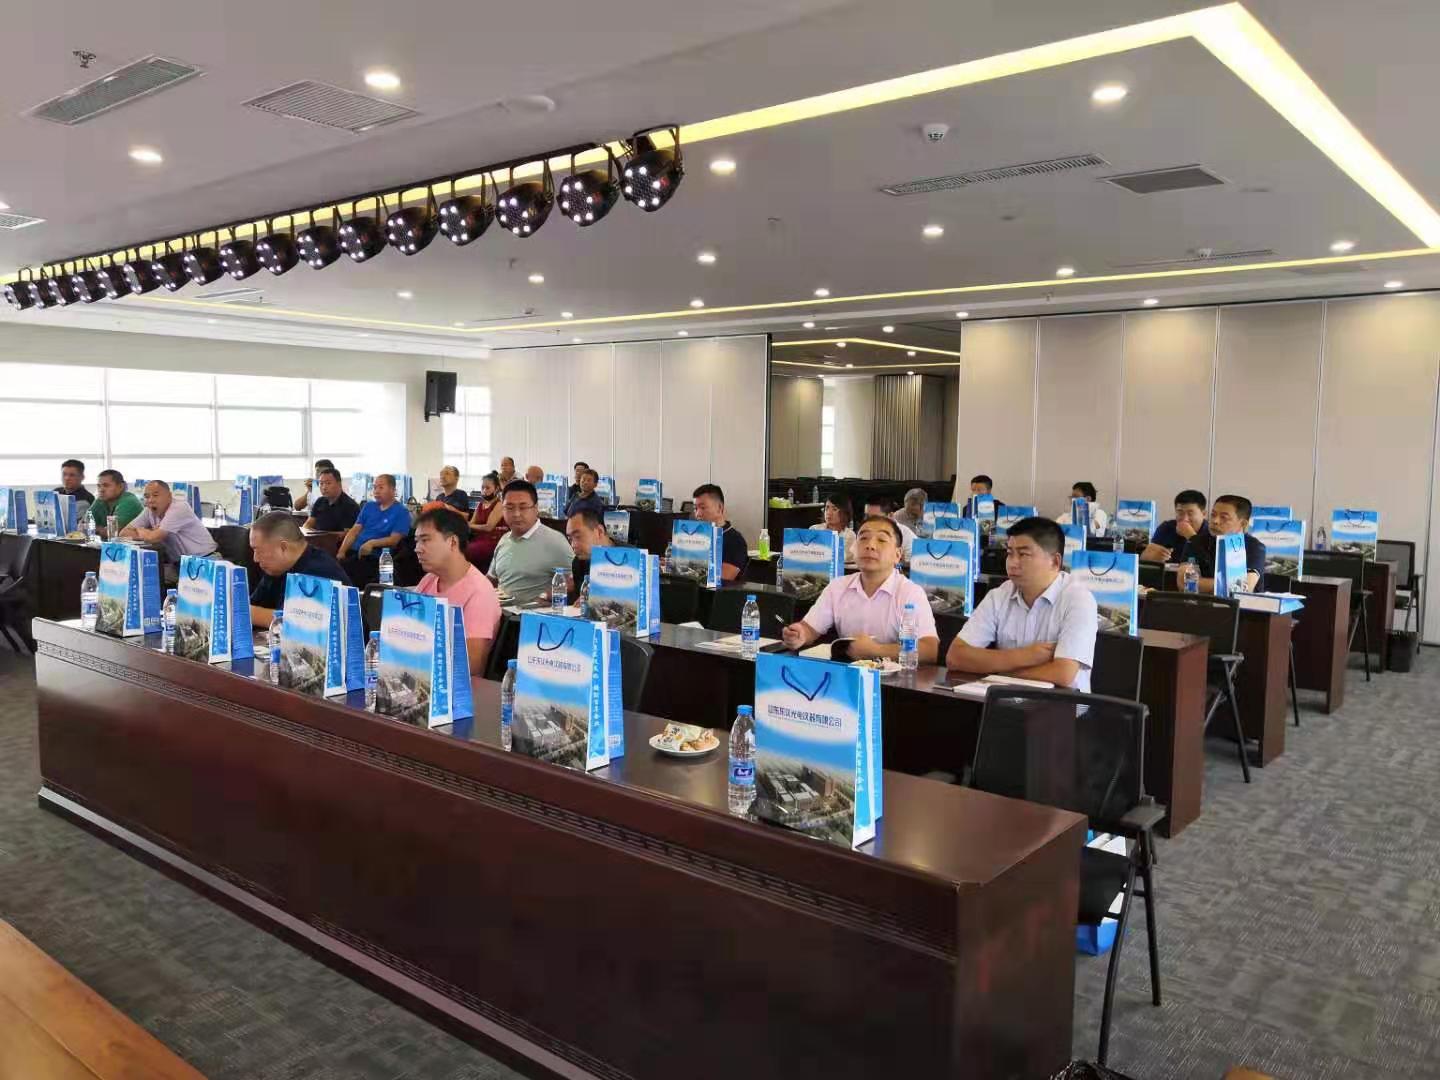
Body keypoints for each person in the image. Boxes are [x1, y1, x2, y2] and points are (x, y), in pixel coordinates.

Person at [945, 516, 1098, 690]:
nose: (1012, 563)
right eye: (1010, 553)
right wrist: (1028, 655)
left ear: (1055, 562)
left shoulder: (1079, 599)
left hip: (1063, 702)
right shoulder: (999, 595)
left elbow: (1062, 674)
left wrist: (998, 672)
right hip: (1004, 700)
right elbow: (956, 657)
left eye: (1023, 554)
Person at [781, 516, 938, 663]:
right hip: (847, 674)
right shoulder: (838, 587)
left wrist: (876, 651)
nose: (870, 545)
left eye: (881, 540)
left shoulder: (910, 592)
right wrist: (799, 634)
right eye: (863, 538)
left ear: (897, 555)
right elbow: (810, 628)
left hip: (894, 678)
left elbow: (929, 649)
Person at [414, 507, 502, 676]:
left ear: (453, 542)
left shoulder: (479, 592)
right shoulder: (429, 580)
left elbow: (472, 666)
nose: (417, 548)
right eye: (417, 541)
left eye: (425, 540)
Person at [247, 511, 351, 628]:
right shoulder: (276, 569)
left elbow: (295, 624)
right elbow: (253, 604)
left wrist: (244, 612)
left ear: (283, 547)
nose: (255, 559)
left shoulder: (318, 572)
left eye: (258, 550)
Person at [489, 480, 575, 605]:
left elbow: (574, 580)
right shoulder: (504, 540)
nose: (516, 514)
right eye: (510, 508)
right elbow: (491, 578)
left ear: (535, 508)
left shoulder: (555, 541)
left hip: (531, 614)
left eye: (523, 507)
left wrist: (546, 596)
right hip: (499, 611)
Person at [121, 480, 219, 582]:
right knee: (143, 576)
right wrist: (147, 531)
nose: (150, 500)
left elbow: (154, 538)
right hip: (179, 565)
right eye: (147, 496)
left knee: (152, 578)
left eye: (155, 495)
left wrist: (145, 532)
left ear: (169, 496)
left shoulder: (179, 508)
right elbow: (123, 533)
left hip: (205, 561)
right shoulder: (149, 510)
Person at [1175, 494, 1266, 594]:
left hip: (1241, 604)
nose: (1215, 521)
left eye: (1224, 517)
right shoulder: (1197, 541)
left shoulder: (1254, 547)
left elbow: (1243, 588)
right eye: (1213, 515)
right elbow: (1184, 583)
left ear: (1243, 524)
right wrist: (1227, 585)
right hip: (1202, 603)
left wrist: (1202, 584)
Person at [337, 474, 411, 588]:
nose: (376, 491)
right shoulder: (368, 506)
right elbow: (354, 531)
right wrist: (342, 551)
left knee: (349, 577)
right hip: (354, 552)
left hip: (376, 557)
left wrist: (372, 543)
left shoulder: (401, 512)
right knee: (334, 570)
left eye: (381, 487)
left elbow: (394, 540)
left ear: (393, 490)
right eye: (375, 487)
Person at [691, 484, 749, 582]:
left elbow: (724, 577)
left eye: (703, 508)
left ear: (719, 508)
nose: (698, 514)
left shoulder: (735, 540)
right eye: (695, 508)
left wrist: (689, 567)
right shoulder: (694, 536)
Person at [1142, 489, 1210, 563]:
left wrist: (1191, 537)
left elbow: (1210, 563)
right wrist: (1147, 557)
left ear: (1203, 514)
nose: (1185, 519)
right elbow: (1145, 558)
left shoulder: (1211, 533)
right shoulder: (1166, 528)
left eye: (1190, 513)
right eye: (1180, 513)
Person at [565, 507, 612, 602]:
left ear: (599, 532)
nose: (573, 545)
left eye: (578, 537)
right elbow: (579, 601)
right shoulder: (578, 563)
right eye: (570, 539)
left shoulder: (633, 558)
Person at [465, 472, 508, 571]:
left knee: (468, 551)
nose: (484, 490)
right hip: (479, 539)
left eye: (488, 488)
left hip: (493, 540)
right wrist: (468, 525)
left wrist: (468, 525)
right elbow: (471, 523)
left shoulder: (499, 504)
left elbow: (489, 527)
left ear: (496, 489)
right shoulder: (480, 505)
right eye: (482, 487)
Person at [301, 467, 360, 533]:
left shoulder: (350, 506)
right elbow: (307, 525)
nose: (324, 487)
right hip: (317, 538)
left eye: (328, 483)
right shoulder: (320, 501)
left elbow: (347, 534)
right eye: (321, 483)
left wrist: (320, 534)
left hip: (335, 540)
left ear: (339, 484)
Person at [88, 469, 143, 536]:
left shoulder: (129, 501)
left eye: (106, 485)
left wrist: (93, 529)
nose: (101, 490)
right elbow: (83, 524)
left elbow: (112, 532)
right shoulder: (100, 500)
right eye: (99, 486)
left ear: (121, 486)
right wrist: (96, 529)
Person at [813, 492, 857, 564]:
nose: (829, 513)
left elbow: (840, 558)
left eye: (834, 509)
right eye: (827, 508)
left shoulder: (850, 535)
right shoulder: (814, 529)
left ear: (844, 512)